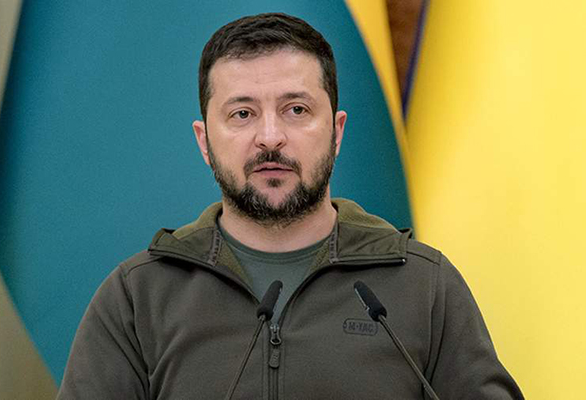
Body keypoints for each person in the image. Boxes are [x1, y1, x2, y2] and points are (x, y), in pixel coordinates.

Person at [57, 13, 523, 399]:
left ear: (336, 132)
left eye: (296, 109)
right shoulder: (138, 297)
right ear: (204, 141)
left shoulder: (423, 285)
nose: (270, 137)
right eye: (242, 114)